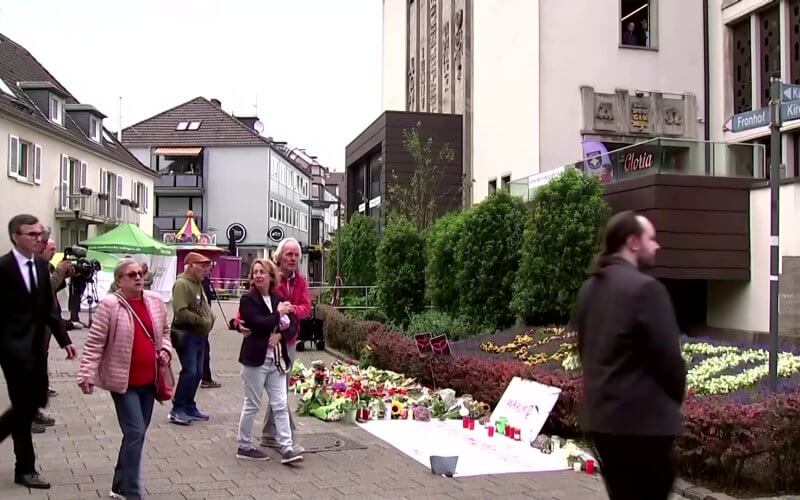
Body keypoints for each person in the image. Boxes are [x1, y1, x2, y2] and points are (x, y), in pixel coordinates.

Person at [569, 211, 686, 500]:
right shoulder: (647, 289)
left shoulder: (589, 289)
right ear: (633, 242)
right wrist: (675, 397)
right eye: (651, 239)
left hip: (602, 421)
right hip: (643, 426)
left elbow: (585, 349)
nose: (657, 246)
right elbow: (669, 360)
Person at [77, 259, 172, 500]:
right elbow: (95, 343)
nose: (138, 278)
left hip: (150, 381)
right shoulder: (109, 306)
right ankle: (131, 492)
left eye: (140, 273)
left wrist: (165, 350)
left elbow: (165, 333)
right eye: (131, 275)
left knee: (135, 435)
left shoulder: (155, 302)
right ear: (119, 280)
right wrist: (86, 373)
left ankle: (119, 485)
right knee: (136, 432)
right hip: (123, 382)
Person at [0, 214, 77, 489]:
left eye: (40, 233)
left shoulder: (41, 266)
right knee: (25, 406)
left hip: (37, 347)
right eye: (31, 234)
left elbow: (49, 310)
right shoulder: (3, 268)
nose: (39, 238)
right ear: (15, 237)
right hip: (11, 350)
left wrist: (64, 339)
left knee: (34, 401)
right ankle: (25, 469)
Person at [235, 259, 303, 464]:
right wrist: (278, 314)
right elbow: (258, 324)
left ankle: (287, 447)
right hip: (255, 360)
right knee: (253, 404)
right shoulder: (248, 300)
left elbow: (293, 325)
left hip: (276, 361)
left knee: (280, 404)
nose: (257, 275)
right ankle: (244, 445)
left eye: (262, 272)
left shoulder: (277, 297)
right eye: (255, 272)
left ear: (271, 276)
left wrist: (280, 336)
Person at [259, 238, 311, 450]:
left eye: (296, 255)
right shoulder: (270, 276)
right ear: (280, 256)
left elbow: (306, 307)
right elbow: (256, 299)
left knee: (280, 387)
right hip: (267, 338)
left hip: (288, 339)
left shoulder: (300, 281)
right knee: (269, 389)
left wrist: (291, 310)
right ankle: (280, 433)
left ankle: (271, 434)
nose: (292, 258)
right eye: (288, 254)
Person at [169, 252, 214, 425]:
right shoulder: (182, 284)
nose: (205, 270)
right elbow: (180, 311)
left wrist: (210, 319)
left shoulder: (197, 284)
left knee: (198, 373)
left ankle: (189, 405)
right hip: (186, 333)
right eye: (202, 266)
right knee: (190, 371)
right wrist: (201, 321)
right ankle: (178, 408)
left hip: (199, 334)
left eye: (207, 267)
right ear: (191, 265)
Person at [200, 275, 221, 389]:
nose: (208, 270)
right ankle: (205, 378)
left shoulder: (204, 280)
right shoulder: (201, 281)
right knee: (204, 350)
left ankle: (205, 377)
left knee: (203, 349)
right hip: (202, 321)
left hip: (204, 320)